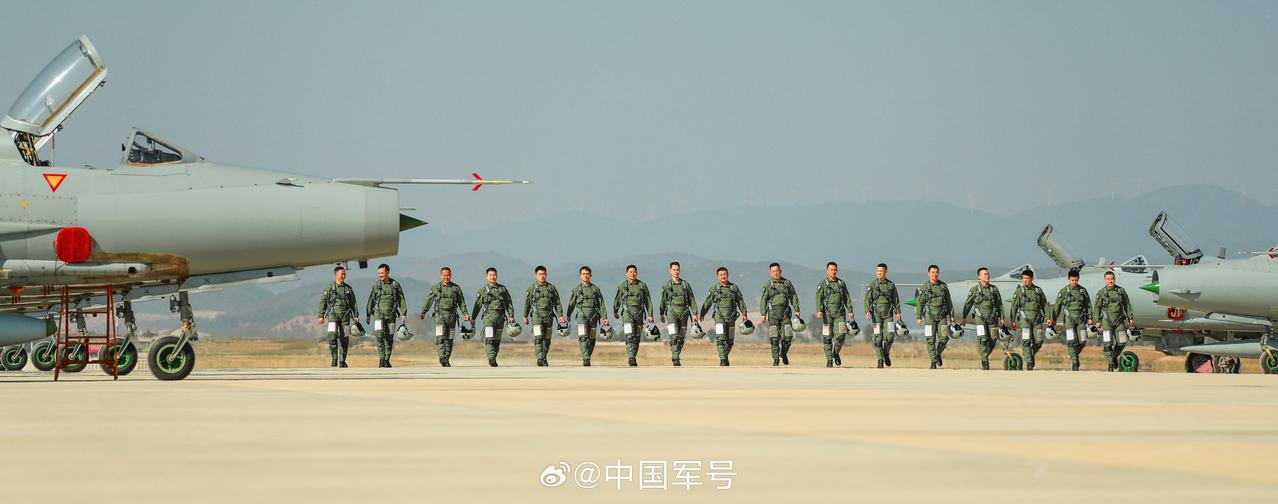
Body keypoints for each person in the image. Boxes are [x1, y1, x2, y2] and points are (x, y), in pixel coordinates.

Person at [420, 266, 470, 367]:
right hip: (439, 316)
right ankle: (442, 357)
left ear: (451, 275)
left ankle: (446, 358)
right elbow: (429, 301)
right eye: (444, 275)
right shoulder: (435, 288)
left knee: (450, 339)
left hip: (452, 317)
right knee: (440, 337)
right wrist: (423, 312)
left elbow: (461, 302)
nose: (446, 277)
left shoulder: (456, 288)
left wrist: (465, 313)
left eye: (448, 275)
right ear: (440, 275)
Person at [700, 267, 747, 366]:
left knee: (730, 340)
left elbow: (740, 301)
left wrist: (744, 313)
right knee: (721, 338)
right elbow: (708, 302)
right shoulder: (714, 288)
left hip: (731, 317)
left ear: (728, 275)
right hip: (719, 316)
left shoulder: (734, 287)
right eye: (721, 275)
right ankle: (723, 359)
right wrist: (702, 313)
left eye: (725, 274)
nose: (723, 276)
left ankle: (725, 356)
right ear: (717, 276)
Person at [960, 267, 1005, 370]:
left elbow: (999, 304)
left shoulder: (994, 289)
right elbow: (968, 304)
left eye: (988, 274)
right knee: (982, 339)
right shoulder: (974, 290)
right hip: (980, 319)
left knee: (993, 338)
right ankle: (985, 361)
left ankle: (984, 354)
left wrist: (1002, 317)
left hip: (992, 318)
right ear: (979, 277)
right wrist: (964, 317)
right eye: (985, 274)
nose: (987, 276)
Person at [471, 267, 516, 367]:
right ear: (486, 277)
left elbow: (508, 303)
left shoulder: (502, 289)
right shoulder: (483, 291)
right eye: (490, 275)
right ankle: (491, 358)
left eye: (494, 275)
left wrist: (511, 315)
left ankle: (494, 357)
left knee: (497, 340)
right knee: (489, 339)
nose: (493, 277)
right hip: (488, 318)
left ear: (497, 276)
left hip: (500, 318)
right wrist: (473, 318)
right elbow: (477, 305)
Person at [365, 263, 407, 368]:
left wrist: (404, 313)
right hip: (378, 315)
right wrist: (368, 314)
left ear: (387, 272)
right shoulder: (376, 285)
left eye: (382, 273)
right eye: (378, 273)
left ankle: (387, 360)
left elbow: (401, 299)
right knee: (379, 336)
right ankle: (381, 359)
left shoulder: (395, 285)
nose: (380, 275)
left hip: (391, 316)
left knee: (389, 338)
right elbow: (371, 300)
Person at [1049, 269, 1091, 371]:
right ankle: (1075, 363)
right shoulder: (1064, 291)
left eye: (1076, 280)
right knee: (1071, 342)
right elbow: (1057, 306)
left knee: (1082, 341)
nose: (1074, 282)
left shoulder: (1083, 291)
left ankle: (1073, 355)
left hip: (1081, 319)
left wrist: (1090, 317)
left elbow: (1088, 305)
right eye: (1072, 280)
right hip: (1069, 320)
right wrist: (1053, 319)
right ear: (1068, 279)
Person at [1093, 271, 1135, 372]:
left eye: (1112, 279)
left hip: (1119, 321)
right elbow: (1097, 307)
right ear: (1105, 280)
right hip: (1106, 321)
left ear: (1114, 279)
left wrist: (1130, 317)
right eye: (1108, 279)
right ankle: (1110, 364)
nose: (1110, 281)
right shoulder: (1101, 293)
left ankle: (1114, 357)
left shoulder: (1121, 291)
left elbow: (1127, 304)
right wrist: (1097, 320)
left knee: (1121, 343)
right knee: (1108, 344)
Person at [815, 262, 855, 367]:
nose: (834, 272)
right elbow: (818, 298)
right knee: (827, 337)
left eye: (835, 270)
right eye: (832, 270)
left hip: (840, 313)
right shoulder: (823, 284)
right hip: (826, 314)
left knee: (841, 335)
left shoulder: (841, 283)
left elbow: (847, 297)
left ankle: (836, 353)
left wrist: (850, 310)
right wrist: (819, 310)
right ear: (827, 271)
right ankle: (829, 359)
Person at [760, 262, 800, 366]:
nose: (776, 273)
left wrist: (797, 309)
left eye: (777, 271)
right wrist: (763, 313)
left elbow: (793, 296)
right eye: (773, 271)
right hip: (773, 314)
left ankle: (783, 353)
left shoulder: (787, 283)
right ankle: (776, 359)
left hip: (785, 314)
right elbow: (763, 300)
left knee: (788, 337)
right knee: (774, 339)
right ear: (770, 273)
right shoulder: (768, 285)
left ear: (780, 271)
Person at [915, 265, 955, 369]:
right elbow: (920, 303)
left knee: (944, 338)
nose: (935, 274)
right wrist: (919, 317)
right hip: (929, 316)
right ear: (928, 274)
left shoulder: (943, 286)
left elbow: (949, 302)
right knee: (930, 339)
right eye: (932, 272)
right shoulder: (925, 287)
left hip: (942, 316)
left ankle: (937, 353)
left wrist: (952, 315)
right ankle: (933, 361)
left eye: (936, 272)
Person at [317, 265, 358, 368]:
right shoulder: (330, 288)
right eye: (342, 274)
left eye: (344, 274)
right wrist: (321, 315)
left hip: (345, 317)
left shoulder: (348, 289)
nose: (343, 276)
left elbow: (353, 303)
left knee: (345, 339)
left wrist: (356, 315)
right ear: (336, 275)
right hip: (332, 316)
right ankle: (334, 359)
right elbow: (323, 302)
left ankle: (342, 361)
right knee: (332, 337)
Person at [565, 266, 607, 366]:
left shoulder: (595, 289)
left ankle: (588, 355)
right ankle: (586, 358)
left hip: (594, 316)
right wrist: (568, 315)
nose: (585, 276)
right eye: (583, 274)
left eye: (587, 274)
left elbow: (601, 304)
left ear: (590, 275)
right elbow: (571, 303)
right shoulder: (576, 290)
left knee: (592, 338)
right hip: (581, 316)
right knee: (583, 337)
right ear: (580, 276)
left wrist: (604, 317)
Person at [613, 265, 654, 367]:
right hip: (627, 314)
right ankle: (631, 357)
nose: (632, 274)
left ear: (637, 273)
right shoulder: (622, 286)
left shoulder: (642, 286)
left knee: (637, 337)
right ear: (626, 273)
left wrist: (650, 314)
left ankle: (633, 356)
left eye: (634, 272)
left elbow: (648, 301)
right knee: (629, 335)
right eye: (630, 272)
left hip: (639, 314)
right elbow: (617, 299)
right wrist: (615, 311)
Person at [659, 261, 698, 367]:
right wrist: (661, 313)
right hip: (671, 312)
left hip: (684, 312)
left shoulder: (685, 285)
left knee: (681, 336)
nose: (676, 272)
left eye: (677, 270)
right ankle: (675, 357)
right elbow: (663, 301)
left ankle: (676, 353)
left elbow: (692, 299)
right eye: (674, 270)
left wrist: (695, 313)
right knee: (673, 335)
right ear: (670, 271)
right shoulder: (667, 286)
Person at [524, 266, 565, 367]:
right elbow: (527, 303)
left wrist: (560, 315)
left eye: (544, 274)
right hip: (536, 316)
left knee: (547, 339)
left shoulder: (551, 288)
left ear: (546, 274)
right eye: (540, 274)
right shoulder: (532, 288)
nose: (542, 276)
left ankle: (543, 357)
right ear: (536, 275)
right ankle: (540, 358)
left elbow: (557, 303)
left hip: (549, 316)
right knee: (538, 338)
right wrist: (525, 315)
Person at [1008, 269, 1048, 371]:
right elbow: (1014, 306)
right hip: (1025, 320)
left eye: (1027, 278)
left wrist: (1048, 318)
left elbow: (1044, 305)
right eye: (1023, 278)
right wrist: (1012, 320)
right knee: (1026, 341)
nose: (1025, 280)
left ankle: (1030, 354)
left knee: (1039, 341)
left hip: (1037, 320)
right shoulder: (1019, 291)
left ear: (1032, 279)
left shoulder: (1038, 291)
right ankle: (1029, 362)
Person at [864, 263, 902, 368]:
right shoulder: (872, 285)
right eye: (877, 271)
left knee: (890, 336)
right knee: (878, 337)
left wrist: (898, 312)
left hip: (888, 314)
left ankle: (886, 353)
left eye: (881, 271)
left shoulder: (891, 285)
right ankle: (880, 359)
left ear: (885, 272)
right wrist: (867, 311)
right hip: (876, 315)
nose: (879, 273)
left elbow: (896, 300)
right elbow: (867, 299)